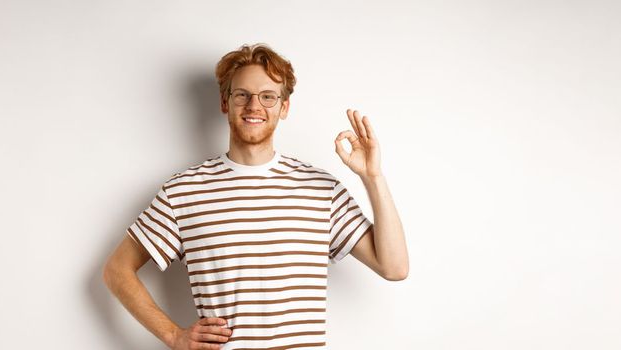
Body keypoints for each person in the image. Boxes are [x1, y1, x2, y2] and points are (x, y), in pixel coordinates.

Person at [102, 43, 409, 350]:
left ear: (284, 107)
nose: (254, 106)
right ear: (225, 102)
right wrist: (173, 336)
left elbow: (394, 268)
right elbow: (117, 270)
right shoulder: (183, 190)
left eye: (268, 96)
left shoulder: (321, 189)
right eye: (242, 95)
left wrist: (372, 178)